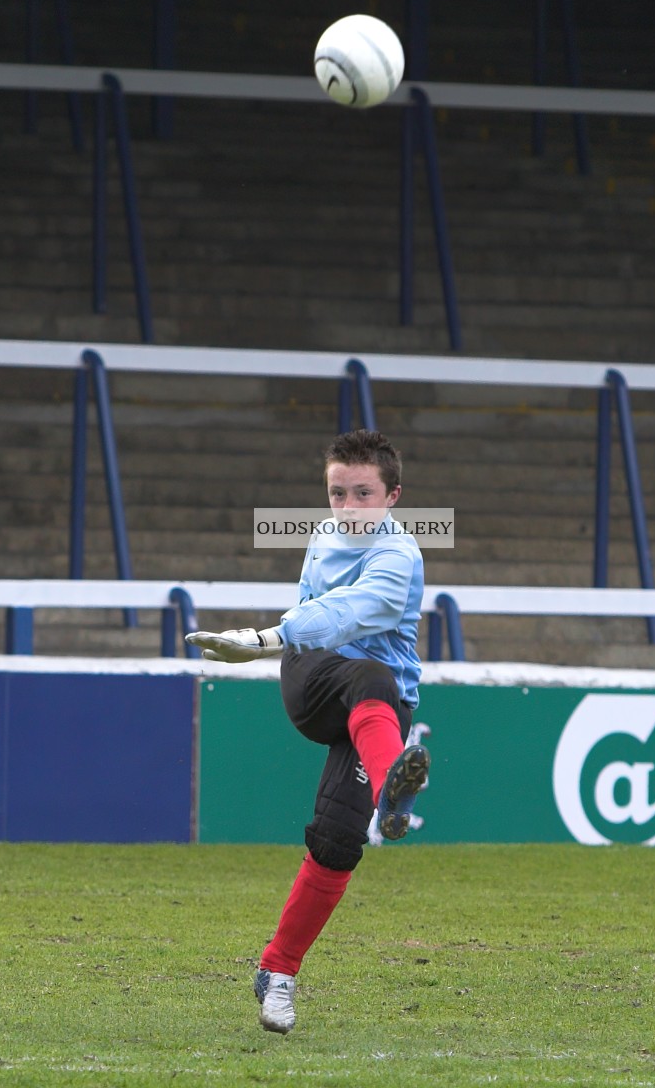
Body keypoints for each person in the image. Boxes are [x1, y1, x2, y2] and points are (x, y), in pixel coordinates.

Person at [186, 429, 430, 1035]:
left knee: (336, 843)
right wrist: (275, 641)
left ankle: (278, 971)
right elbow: (319, 616)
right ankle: (390, 786)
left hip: (374, 705)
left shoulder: (400, 555)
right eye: (336, 493)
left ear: (393, 496)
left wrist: (265, 636)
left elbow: (354, 611)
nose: (347, 508)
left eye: (362, 494)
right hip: (313, 678)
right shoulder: (322, 536)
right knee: (368, 674)